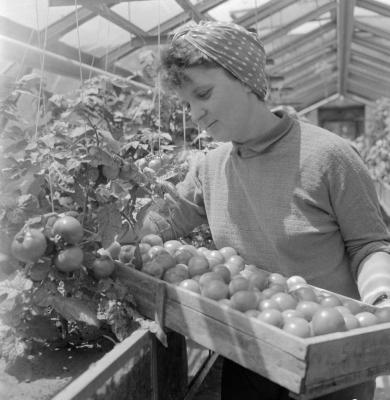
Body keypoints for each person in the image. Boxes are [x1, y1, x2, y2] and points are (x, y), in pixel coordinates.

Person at [136, 21, 390, 399]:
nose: (196, 114)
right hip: (249, 354)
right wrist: (98, 224)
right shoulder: (210, 167)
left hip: (331, 361)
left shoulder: (328, 156)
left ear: (245, 79)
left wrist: (382, 299)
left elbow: (370, 245)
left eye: (204, 94)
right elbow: (160, 221)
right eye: (188, 104)